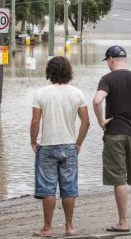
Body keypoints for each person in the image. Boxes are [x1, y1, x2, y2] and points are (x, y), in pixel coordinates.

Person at [30, 56, 90, 237]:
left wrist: (33, 141)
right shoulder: (77, 93)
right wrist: (78, 143)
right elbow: (86, 122)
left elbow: (35, 121)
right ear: (68, 72)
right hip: (69, 146)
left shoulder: (41, 93)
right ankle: (69, 227)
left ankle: (47, 228)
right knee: (69, 187)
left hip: (47, 146)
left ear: (49, 72)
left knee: (48, 188)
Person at [93, 45, 131, 232]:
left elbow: (97, 100)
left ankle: (123, 222)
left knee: (119, 179)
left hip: (115, 133)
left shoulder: (107, 79)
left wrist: (101, 121)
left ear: (111, 59)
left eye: (107, 62)